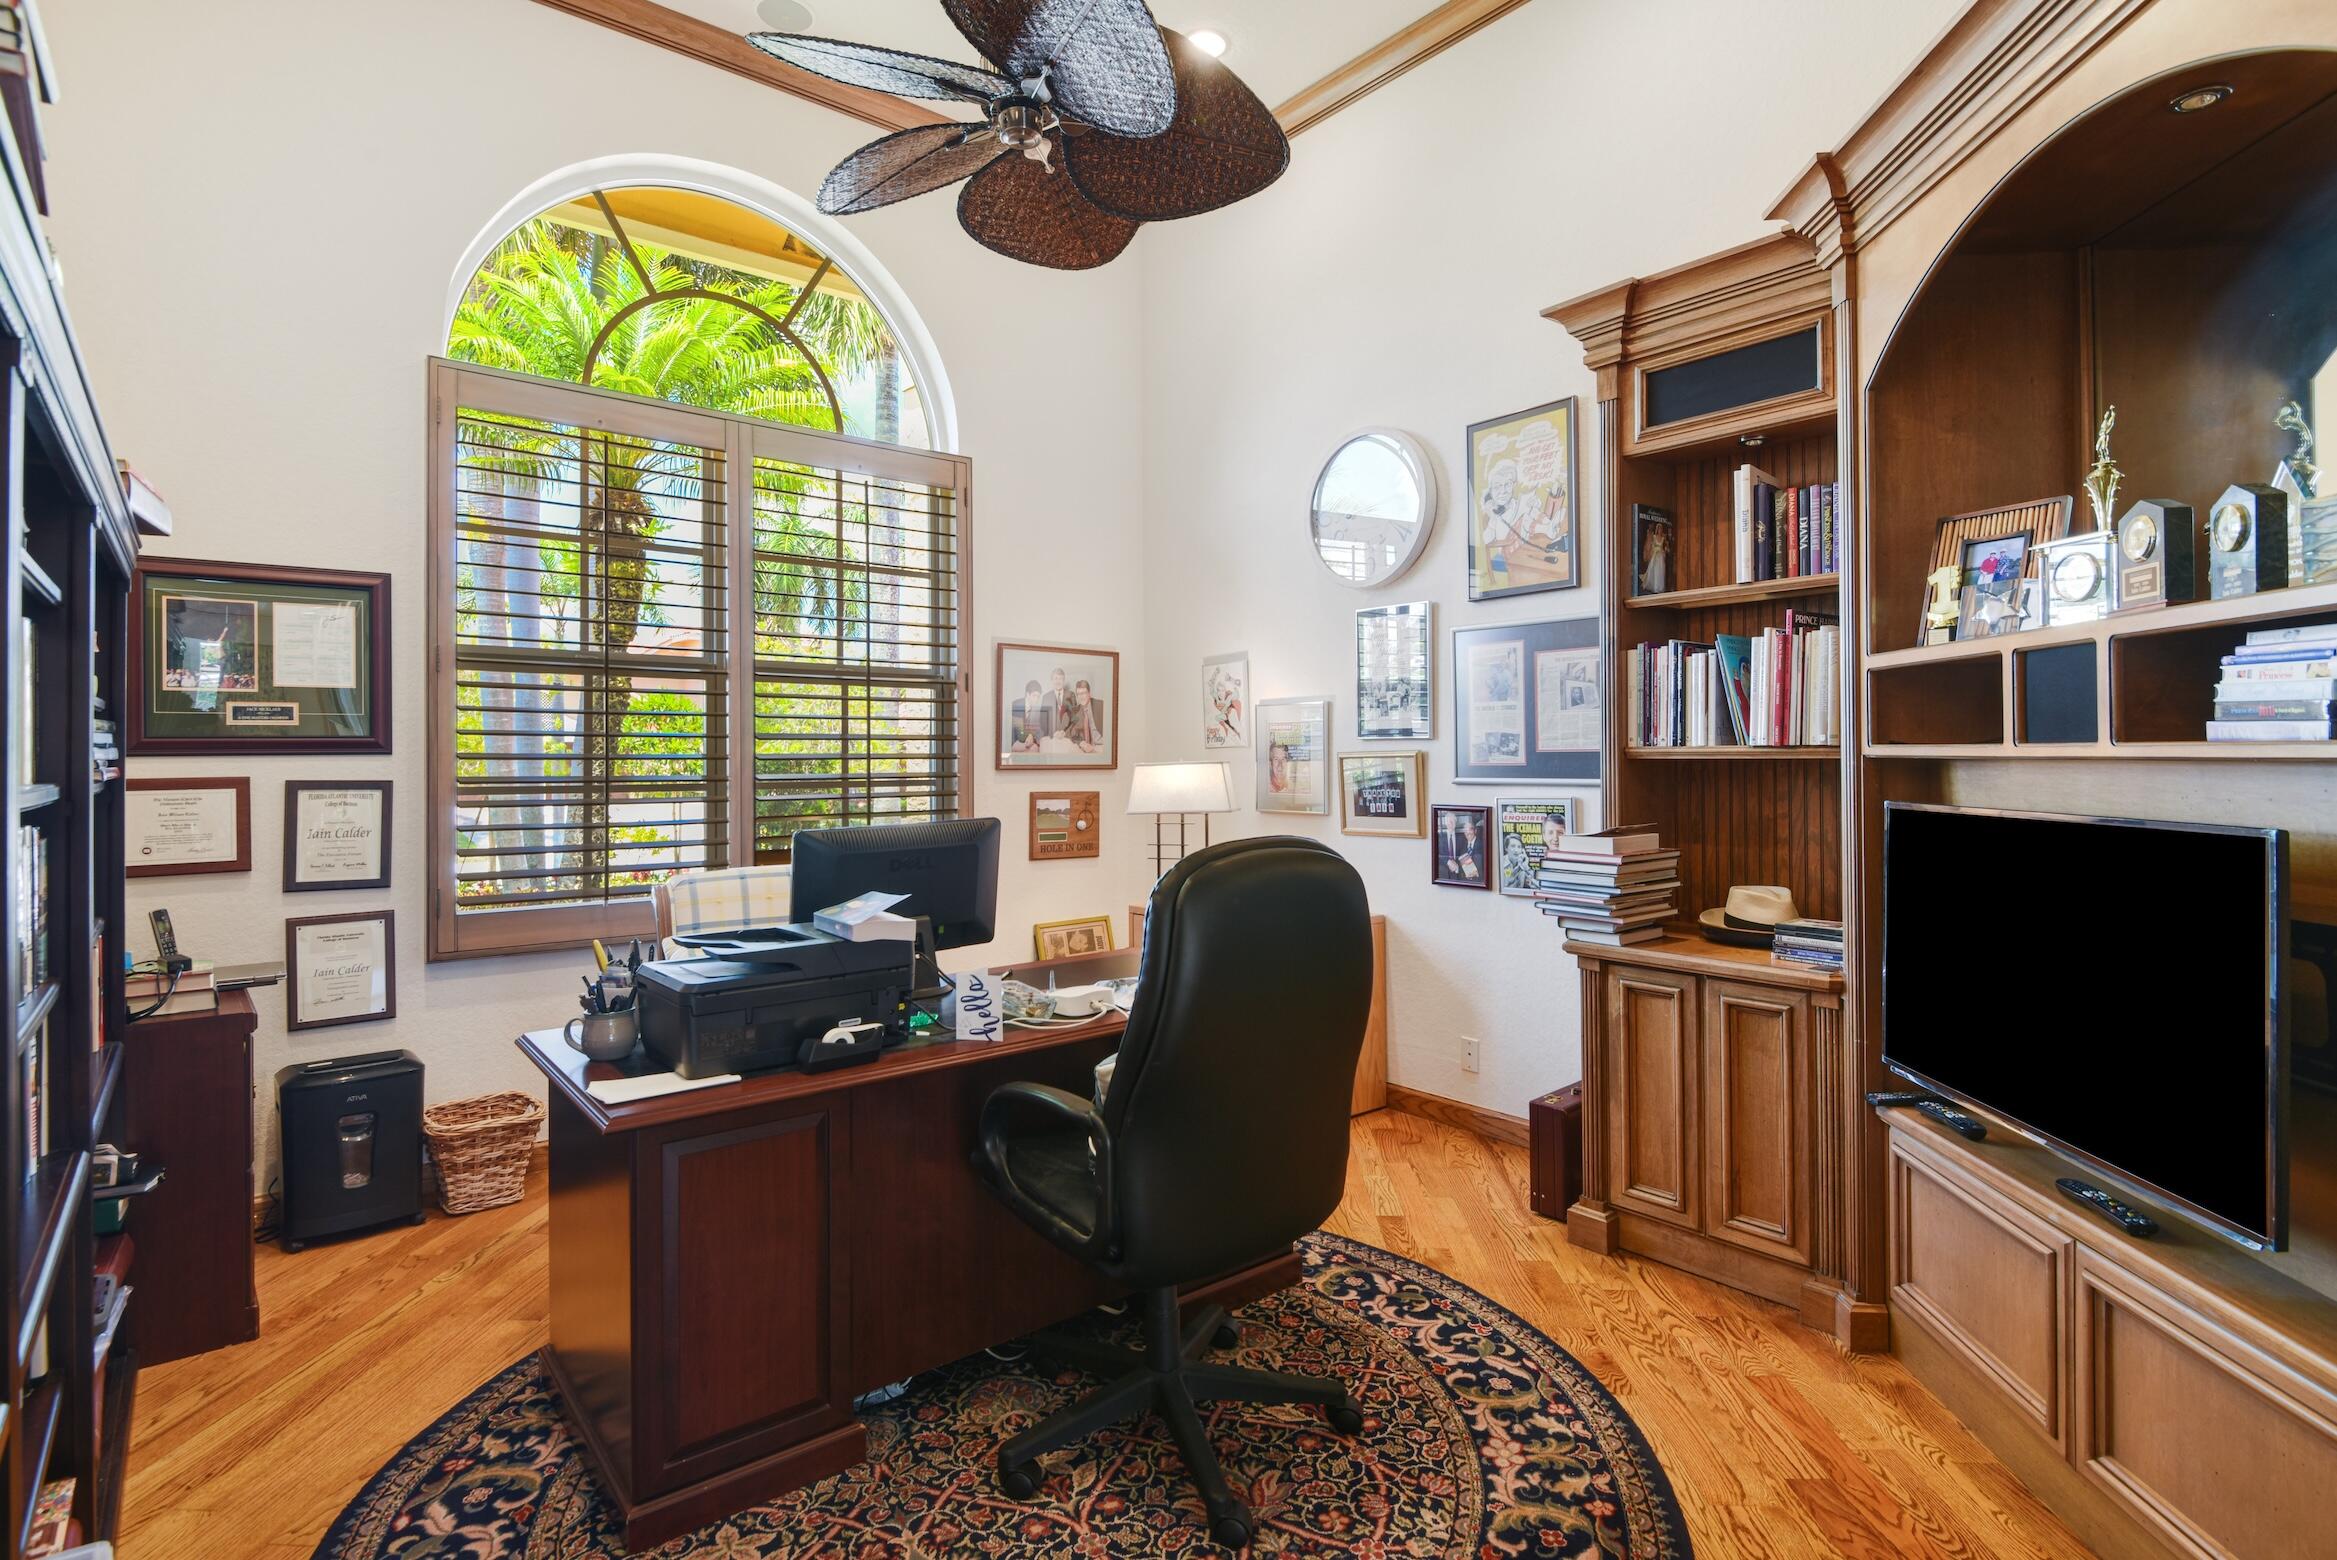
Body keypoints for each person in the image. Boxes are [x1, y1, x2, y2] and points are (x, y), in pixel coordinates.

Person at [1060, 678, 1104, 752]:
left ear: (1089, 694)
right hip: (1086, 747)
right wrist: (1081, 743)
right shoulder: (1075, 711)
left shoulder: (1100, 705)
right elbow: (1068, 732)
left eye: (1084, 693)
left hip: (1101, 745)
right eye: (1079, 694)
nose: (1081, 697)